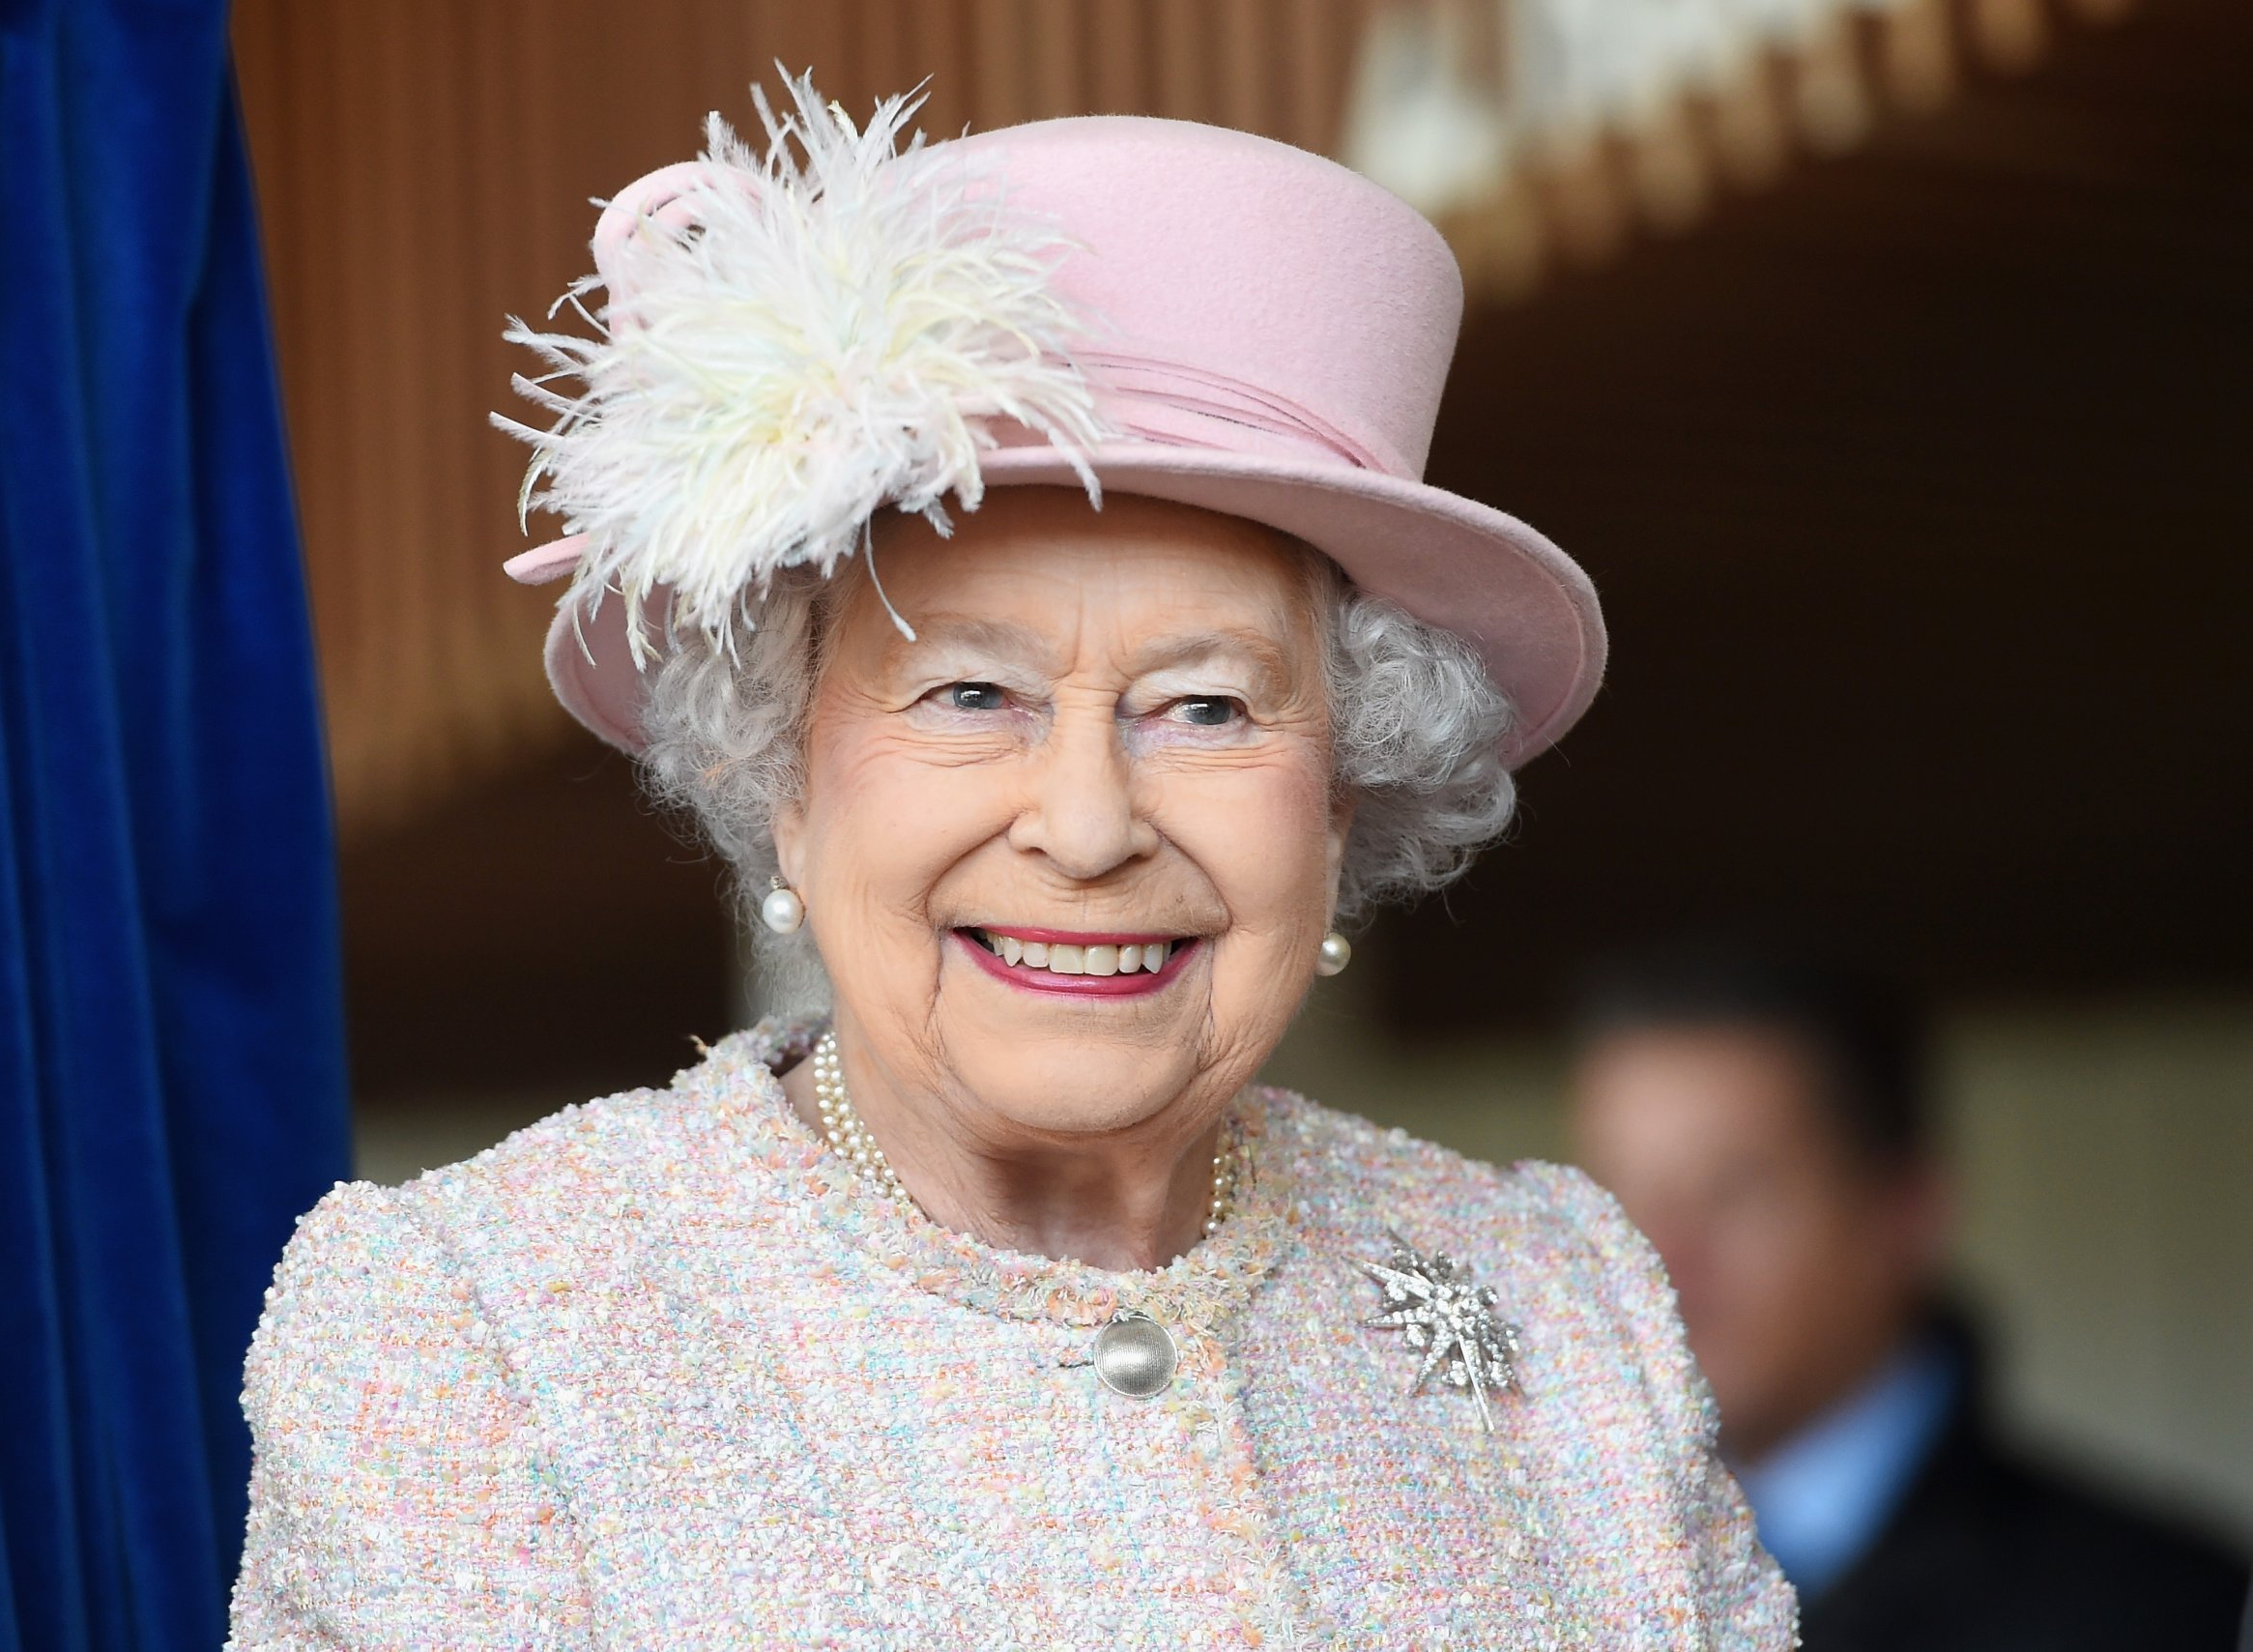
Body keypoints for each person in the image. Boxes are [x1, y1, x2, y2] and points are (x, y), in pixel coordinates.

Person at [224, 76, 1797, 1647]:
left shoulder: (1559, 1302)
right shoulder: (479, 1327)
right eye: (971, 692)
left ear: (1340, 798)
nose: (1093, 823)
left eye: (1206, 704)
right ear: (785, 775)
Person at [1569, 941, 2249, 1651]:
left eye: (1732, 1190)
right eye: (1615, 1198)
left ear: (1906, 1211)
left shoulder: (2165, 1613)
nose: (1656, 1254)